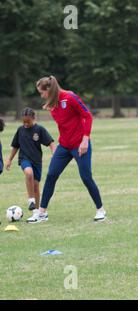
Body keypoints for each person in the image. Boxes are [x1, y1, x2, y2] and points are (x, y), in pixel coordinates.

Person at [31, 75, 107, 223]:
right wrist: (51, 107)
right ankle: (42, 213)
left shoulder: (70, 97)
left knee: (86, 177)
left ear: (49, 89)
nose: (41, 96)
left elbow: (87, 116)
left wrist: (85, 139)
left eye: (42, 92)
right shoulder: (52, 104)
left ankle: (101, 210)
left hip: (80, 145)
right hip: (64, 146)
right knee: (51, 175)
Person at [5, 108, 56, 214]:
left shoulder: (39, 129)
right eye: (24, 121)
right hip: (24, 159)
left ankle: (37, 212)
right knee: (29, 173)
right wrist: (9, 159)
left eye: (28, 121)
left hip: (37, 161)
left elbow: (50, 142)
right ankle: (31, 200)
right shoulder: (20, 130)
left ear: (34, 118)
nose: (26, 124)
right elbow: (15, 146)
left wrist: (54, 153)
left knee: (36, 186)